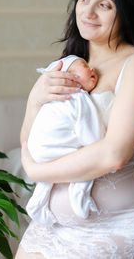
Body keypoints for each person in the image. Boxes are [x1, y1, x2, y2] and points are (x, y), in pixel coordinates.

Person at [15, 0, 134, 259]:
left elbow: (114, 154)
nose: (88, 11)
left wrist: (35, 170)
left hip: (117, 228)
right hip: (52, 227)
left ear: (127, 11)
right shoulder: (72, 62)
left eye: (105, 4)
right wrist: (35, 99)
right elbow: (31, 139)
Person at [26, 55, 105, 225]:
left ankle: (37, 202)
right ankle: (79, 197)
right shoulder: (78, 97)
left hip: (38, 150)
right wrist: (96, 144)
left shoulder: (54, 101)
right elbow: (91, 133)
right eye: (84, 66)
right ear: (69, 78)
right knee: (84, 160)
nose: (92, 69)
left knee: (49, 178)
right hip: (49, 148)